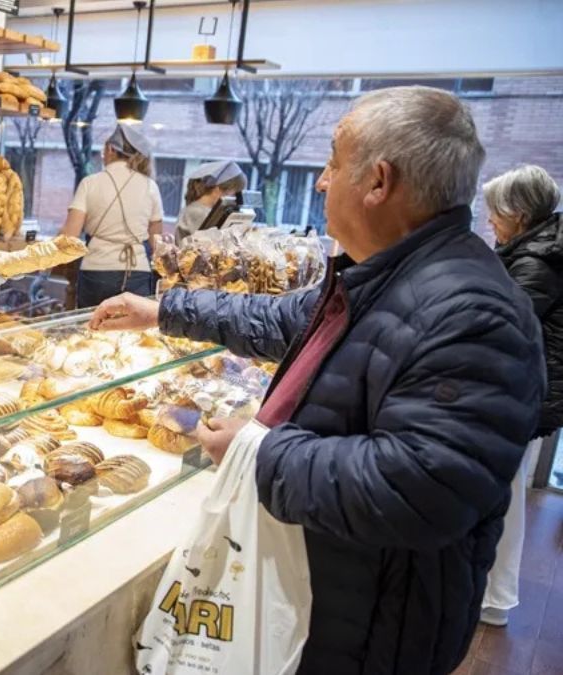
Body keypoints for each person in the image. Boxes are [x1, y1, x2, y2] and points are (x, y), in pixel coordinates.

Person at [89, 86, 545, 674]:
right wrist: (164, 310)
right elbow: (281, 317)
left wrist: (257, 454)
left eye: (332, 162)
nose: (324, 181)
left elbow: (420, 487)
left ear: (379, 182)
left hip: (372, 628)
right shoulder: (390, 276)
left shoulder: (473, 313)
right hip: (333, 600)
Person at [480, 165, 563, 627]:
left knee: (503, 496)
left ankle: (493, 598)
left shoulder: (535, 263)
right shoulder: (531, 249)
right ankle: (491, 593)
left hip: (520, 393)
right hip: (525, 392)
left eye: (494, 211)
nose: (489, 219)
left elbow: (501, 327)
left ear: (519, 214)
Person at [59, 123, 163, 308]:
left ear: (111, 149)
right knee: (133, 335)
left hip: (96, 270)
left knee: (92, 331)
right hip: (136, 271)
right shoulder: (150, 186)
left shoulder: (89, 183)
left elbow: (69, 237)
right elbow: (157, 243)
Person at [174, 160, 246, 242]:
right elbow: (206, 245)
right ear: (218, 189)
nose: (235, 198)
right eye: (234, 193)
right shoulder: (196, 212)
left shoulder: (208, 210)